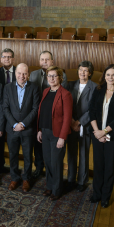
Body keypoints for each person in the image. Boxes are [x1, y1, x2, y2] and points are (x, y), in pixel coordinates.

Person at [89, 64, 114, 208]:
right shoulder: (98, 90)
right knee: (98, 166)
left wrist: (104, 132)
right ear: (104, 76)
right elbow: (91, 111)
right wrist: (97, 132)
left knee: (109, 167)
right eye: (108, 74)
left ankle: (105, 196)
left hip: (112, 135)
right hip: (97, 134)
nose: (110, 77)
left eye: (113, 75)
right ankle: (96, 194)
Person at [29, 51, 68, 178]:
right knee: (39, 146)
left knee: (54, 157)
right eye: (42, 59)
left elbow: (63, 99)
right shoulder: (33, 74)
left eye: (47, 59)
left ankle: (55, 183)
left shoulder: (61, 76)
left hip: (55, 118)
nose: (44, 62)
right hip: (39, 117)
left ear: (52, 61)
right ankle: (39, 167)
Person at [37, 66, 73, 200]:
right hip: (45, 132)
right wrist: (39, 130)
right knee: (47, 161)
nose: (51, 78)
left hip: (57, 134)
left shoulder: (65, 94)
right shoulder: (46, 91)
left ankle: (57, 190)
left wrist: (62, 137)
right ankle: (50, 186)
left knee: (56, 162)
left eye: (54, 76)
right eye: (49, 76)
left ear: (60, 78)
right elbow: (43, 113)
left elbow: (67, 118)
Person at [3, 63, 39, 192]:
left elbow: (35, 109)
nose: (21, 76)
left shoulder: (34, 88)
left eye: (24, 73)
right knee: (12, 155)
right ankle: (15, 178)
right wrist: (14, 124)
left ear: (28, 74)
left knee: (28, 156)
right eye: (19, 73)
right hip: (12, 129)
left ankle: (26, 179)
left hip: (28, 129)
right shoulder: (8, 88)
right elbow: (5, 108)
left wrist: (23, 124)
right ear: (15, 74)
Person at [66, 61, 97, 192]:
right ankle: (70, 179)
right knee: (71, 153)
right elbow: (67, 104)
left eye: (85, 71)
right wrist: (72, 121)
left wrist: (79, 122)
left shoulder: (95, 87)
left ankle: (82, 181)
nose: (82, 73)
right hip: (71, 124)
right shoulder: (71, 84)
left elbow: (93, 109)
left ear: (90, 73)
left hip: (85, 125)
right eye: (80, 70)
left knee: (84, 154)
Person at [0, 48, 16, 175]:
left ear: (13, 59)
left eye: (9, 57)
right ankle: (0, 165)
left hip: (15, 112)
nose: (7, 59)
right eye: (4, 56)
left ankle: (14, 168)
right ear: (1, 59)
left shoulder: (19, 72)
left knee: (13, 141)